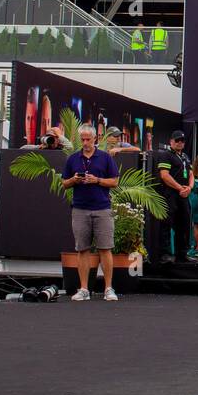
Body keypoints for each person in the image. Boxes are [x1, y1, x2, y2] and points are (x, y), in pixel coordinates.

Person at [60, 123, 121, 301]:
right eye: (83, 139)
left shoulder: (105, 158)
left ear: (95, 139)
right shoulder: (72, 159)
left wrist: (97, 180)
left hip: (102, 208)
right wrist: (74, 179)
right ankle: (84, 288)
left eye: (88, 139)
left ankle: (109, 288)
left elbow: (115, 182)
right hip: (80, 208)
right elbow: (64, 184)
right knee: (82, 249)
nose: (85, 142)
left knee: (105, 248)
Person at [154, 130, 194, 265]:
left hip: (184, 195)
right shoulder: (165, 155)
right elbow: (164, 175)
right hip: (169, 195)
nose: (180, 143)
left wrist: (189, 187)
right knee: (166, 224)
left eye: (182, 141)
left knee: (184, 225)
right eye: (177, 140)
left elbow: (191, 173)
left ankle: (182, 253)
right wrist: (179, 188)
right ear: (171, 141)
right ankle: (164, 254)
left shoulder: (185, 157)